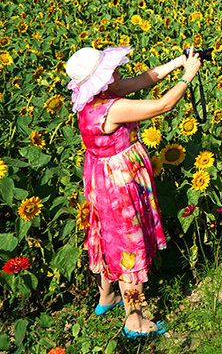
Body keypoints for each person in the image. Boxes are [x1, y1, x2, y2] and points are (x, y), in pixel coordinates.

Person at [65, 45, 202, 338]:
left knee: (108, 238)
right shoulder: (112, 107)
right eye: (108, 69)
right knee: (129, 251)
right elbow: (162, 105)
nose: (115, 72)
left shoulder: (91, 97)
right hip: (120, 185)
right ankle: (135, 322)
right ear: (100, 78)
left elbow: (144, 80)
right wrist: (188, 77)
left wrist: (178, 62)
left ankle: (106, 298)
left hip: (101, 179)